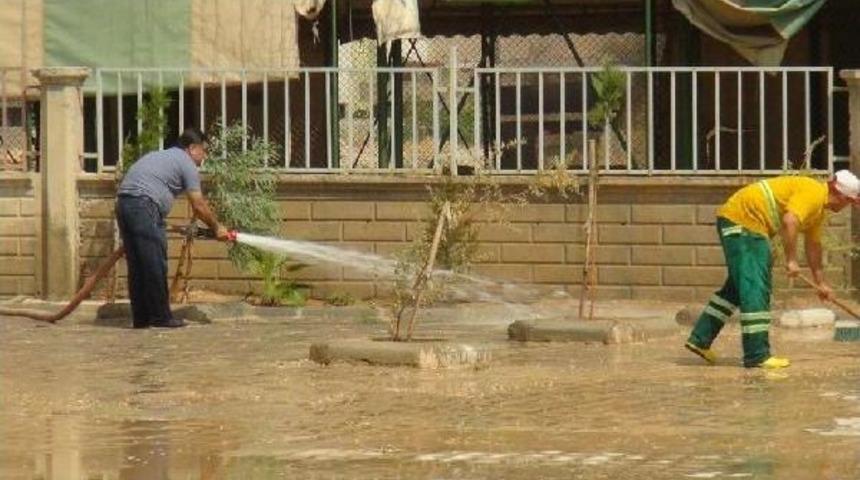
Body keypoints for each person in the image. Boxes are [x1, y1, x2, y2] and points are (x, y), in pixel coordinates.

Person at [685, 170, 860, 369]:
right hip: (745, 223)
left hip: (742, 222)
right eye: (849, 202)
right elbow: (790, 221)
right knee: (756, 287)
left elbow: (813, 246)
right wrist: (791, 260)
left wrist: (821, 283)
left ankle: (700, 338)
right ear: (839, 194)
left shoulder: (818, 210)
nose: (847, 207)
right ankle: (757, 355)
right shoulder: (813, 193)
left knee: (735, 288)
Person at [116, 127, 230, 329]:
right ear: (192, 148)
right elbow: (198, 205)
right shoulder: (186, 164)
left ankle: (141, 319)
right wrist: (217, 227)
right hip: (144, 205)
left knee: (138, 267)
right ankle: (161, 317)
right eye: (203, 151)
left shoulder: (161, 155)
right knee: (154, 264)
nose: (204, 156)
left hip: (124, 204)